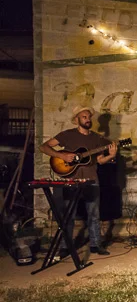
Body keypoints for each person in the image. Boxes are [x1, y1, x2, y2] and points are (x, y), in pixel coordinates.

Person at [39, 106, 117, 255]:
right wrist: (62, 156)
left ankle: (95, 245)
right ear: (76, 120)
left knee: (94, 214)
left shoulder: (97, 138)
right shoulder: (67, 135)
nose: (88, 120)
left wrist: (111, 155)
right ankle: (65, 246)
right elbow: (43, 147)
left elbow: (100, 160)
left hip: (91, 179)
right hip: (71, 180)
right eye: (84, 117)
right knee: (68, 215)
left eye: (89, 117)